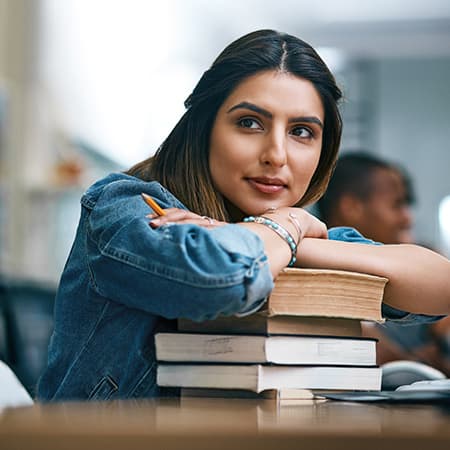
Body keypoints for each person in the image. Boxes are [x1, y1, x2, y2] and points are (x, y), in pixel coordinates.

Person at [37, 30, 450, 402]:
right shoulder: (125, 206)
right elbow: (223, 277)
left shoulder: (289, 236)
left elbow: (440, 288)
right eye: (250, 123)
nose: (276, 154)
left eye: (302, 131)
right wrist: (286, 226)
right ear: (205, 127)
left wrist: (293, 239)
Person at [316, 152, 450, 376]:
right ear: (351, 207)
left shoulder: (424, 267)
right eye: (397, 205)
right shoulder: (310, 275)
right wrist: (412, 363)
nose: (408, 218)